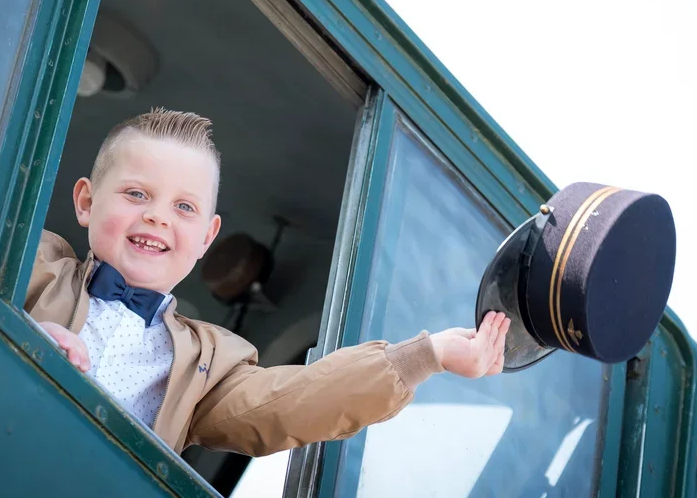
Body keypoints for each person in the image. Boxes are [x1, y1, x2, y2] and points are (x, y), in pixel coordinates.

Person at [26, 108, 510, 456]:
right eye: (136, 194)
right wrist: (20, 330)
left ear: (206, 238)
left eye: (184, 207)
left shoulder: (208, 366)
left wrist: (428, 355)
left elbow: (293, 403)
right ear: (87, 202)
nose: (157, 217)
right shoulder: (32, 263)